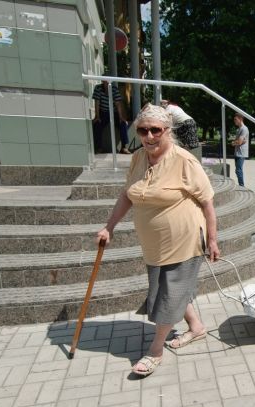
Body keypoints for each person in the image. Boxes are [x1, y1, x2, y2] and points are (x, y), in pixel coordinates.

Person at [95, 103, 220, 376]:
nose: (149, 136)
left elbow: (208, 202)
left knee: (168, 292)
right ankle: (196, 327)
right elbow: (127, 194)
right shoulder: (138, 158)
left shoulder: (184, 160)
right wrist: (109, 227)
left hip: (185, 240)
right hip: (154, 244)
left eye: (156, 130)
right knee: (168, 289)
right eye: (143, 130)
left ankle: (155, 350)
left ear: (167, 130)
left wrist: (212, 240)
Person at [92, 79, 130, 154]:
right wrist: (97, 116)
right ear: (102, 81)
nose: (107, 83)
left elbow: (118, 104)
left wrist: (121, 117)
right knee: (97, 125)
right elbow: (97, 103)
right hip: (103, 112)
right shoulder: (98, 88)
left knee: (123, 124)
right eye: (105, 81)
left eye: (108, 81)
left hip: (114, 112)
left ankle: (124, 147)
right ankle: (99, 148)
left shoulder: (114, 90)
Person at [232, 113, 249, 187]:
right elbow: (238, 141)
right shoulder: (238, 130)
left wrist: (235, 142)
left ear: (241, 119)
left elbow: (239, 142)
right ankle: (241, 185)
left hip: (241, 153)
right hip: (237, 152)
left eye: (236, 119)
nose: (234, 121)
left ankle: (242, 186)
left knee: (238, 170)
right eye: (234, 119)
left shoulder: (244, 129)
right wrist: (236, 142)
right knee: (237, 170)